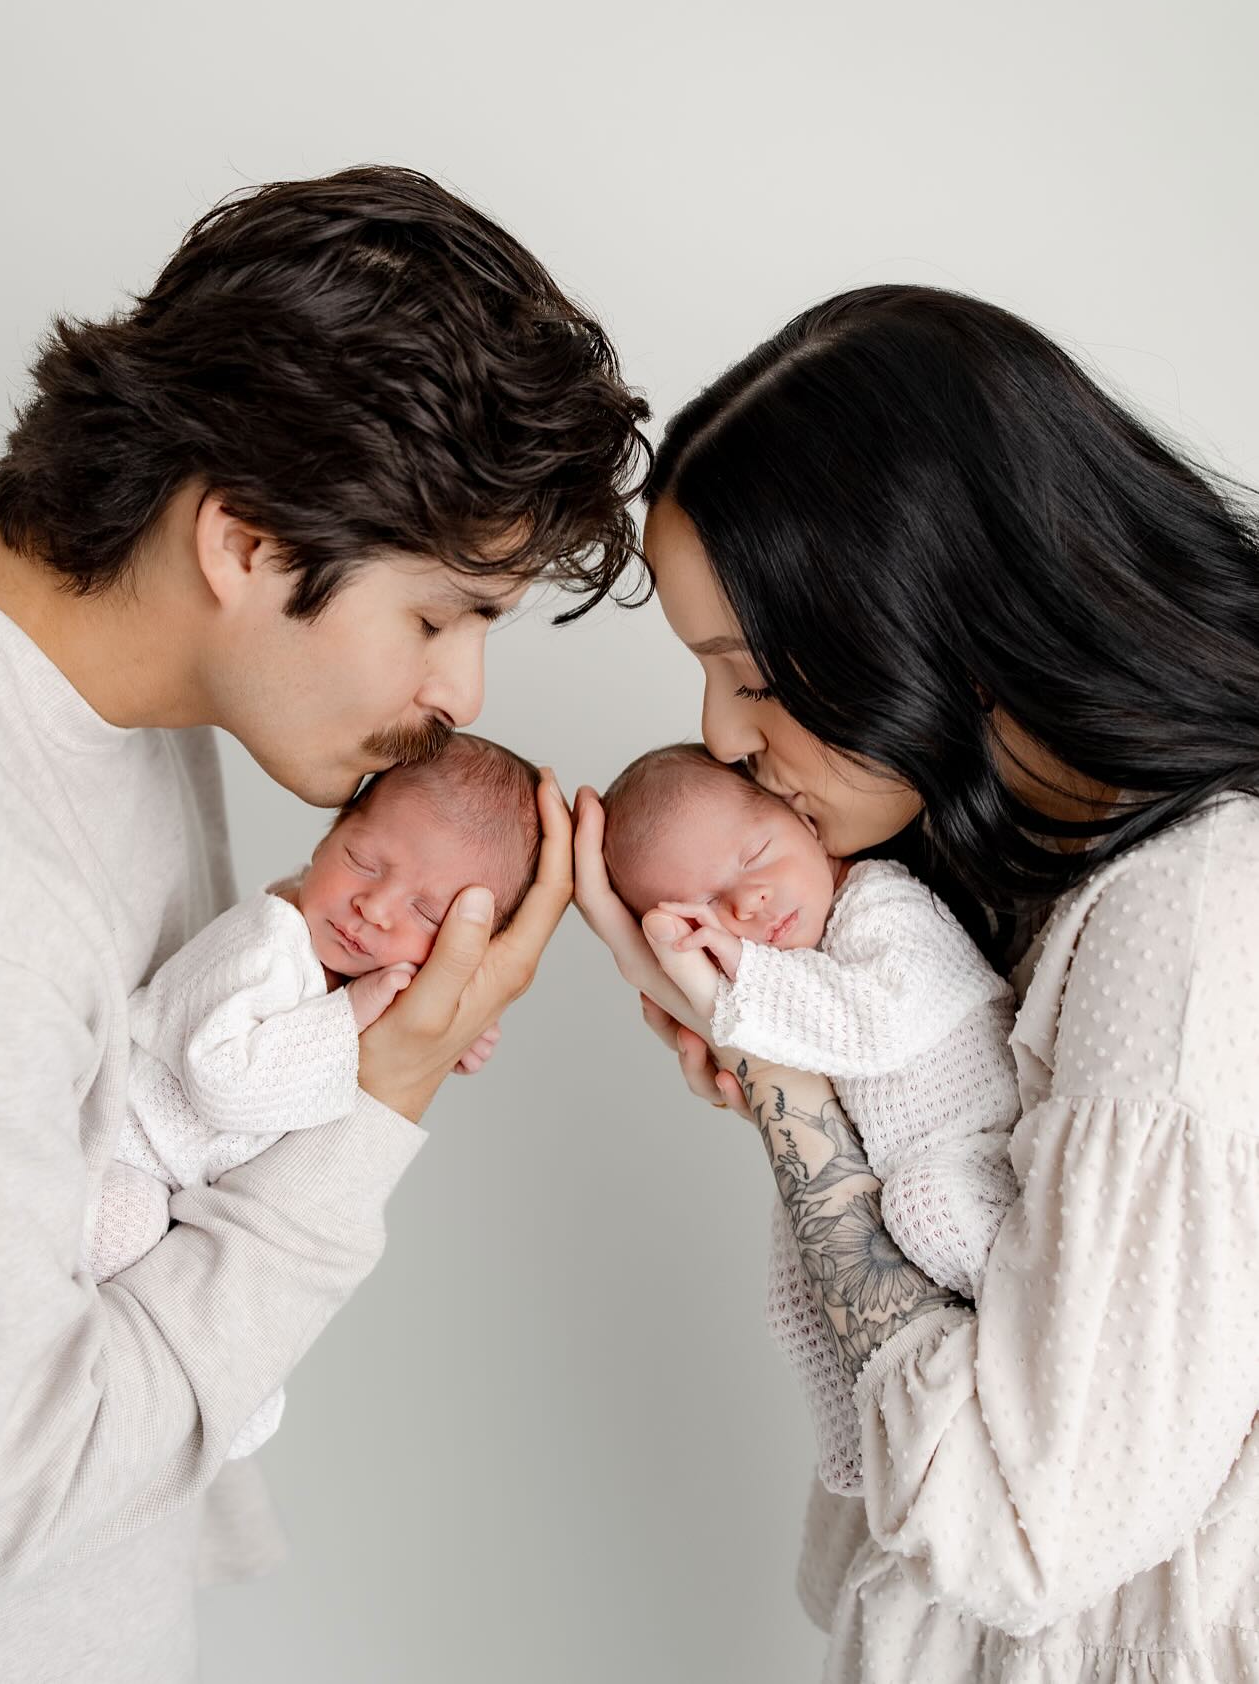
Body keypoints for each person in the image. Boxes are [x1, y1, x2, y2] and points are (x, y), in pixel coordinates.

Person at [0, 164, 646, 1684]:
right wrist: (378, 1097)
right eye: (437, 616)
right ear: (242, 542)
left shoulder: (80, 665)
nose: (459, 696)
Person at [576, 285, 1259, 1681]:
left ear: (924, 609)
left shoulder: (1182, 932)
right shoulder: (1005, 881)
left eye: (749, 673)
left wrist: (783, 1078)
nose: (722, 734)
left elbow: (1018, 1532)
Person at [87, 733, 542, 1463]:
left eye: (428, 913)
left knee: (230, 1343)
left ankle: (190, 1391)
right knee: (121, 1233)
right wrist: (352, 1015)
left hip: (184, 1190)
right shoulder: (268, 940)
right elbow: (224, 1082)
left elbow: (351, 1059)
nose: (375, 907)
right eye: (364, 861)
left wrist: (446, 1032)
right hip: (122, 1155)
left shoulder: (345, 971)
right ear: (329, 836)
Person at [599, 740, 1019, 1493]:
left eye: (755, 856)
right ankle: (862, 1447)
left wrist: (735, 979)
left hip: (976, 1148)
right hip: (884, 1167)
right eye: (705, 910)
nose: (747, 904)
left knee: (926, 1207)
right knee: (792, 1289)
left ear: (804, 822)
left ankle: (1023, 1337)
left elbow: (873, 1024)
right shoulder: (790, 961)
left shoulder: (881, 899)